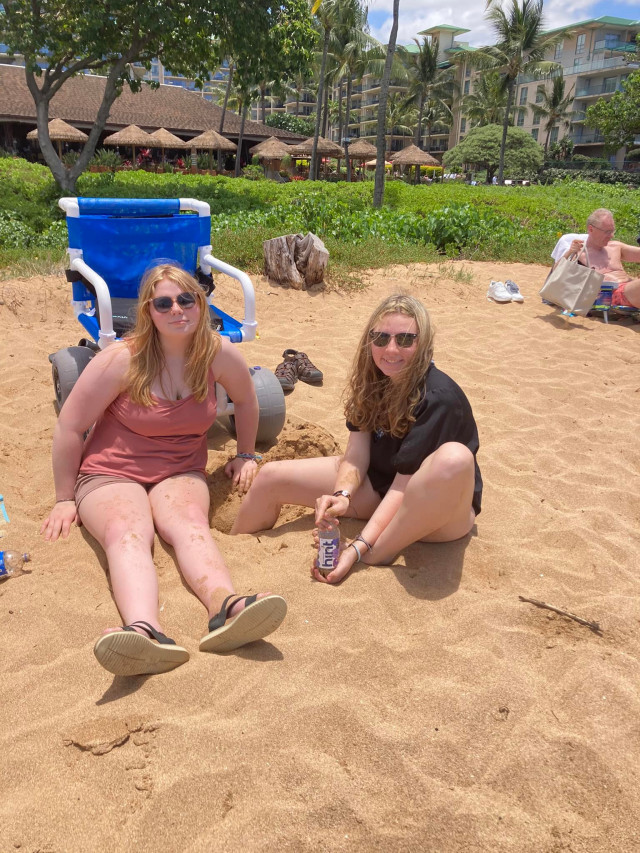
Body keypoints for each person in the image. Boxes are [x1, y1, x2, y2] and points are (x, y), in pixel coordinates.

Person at [40, 263, 286, 676]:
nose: (177, 310)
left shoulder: (218, 353)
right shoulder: (121, 360)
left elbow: (245, 401)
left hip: (179, 469)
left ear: (200, 302)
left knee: (190, 526)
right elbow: (71, 425)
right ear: (148, 311)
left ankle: (225, 606)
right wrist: (65, 498)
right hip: (111, 471)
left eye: (186, 299)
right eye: (164, 303)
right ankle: (145, 628)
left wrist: (247, 454)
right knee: (128, 531)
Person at [231, 294, 482, 584]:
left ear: (423, 343)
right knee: (271, 477)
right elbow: (357, 454)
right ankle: (231, 554)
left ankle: (377, 552)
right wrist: (342, 496)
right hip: (381, 486)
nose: (390, 349)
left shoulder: (438, 397)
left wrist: (357, 549)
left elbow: (404, 487)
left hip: (435, 512)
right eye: (380, 338)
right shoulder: (373, 378)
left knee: (455, 457)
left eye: (404, 339)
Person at [552, 208, 640, 309]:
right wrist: (569, 252)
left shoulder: (615, 247)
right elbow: (556, 274)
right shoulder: (581, 254)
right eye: (607, 232)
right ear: (591, 229)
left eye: (612, 231)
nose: (611, 235)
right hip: (610, 295)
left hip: (631, 288)